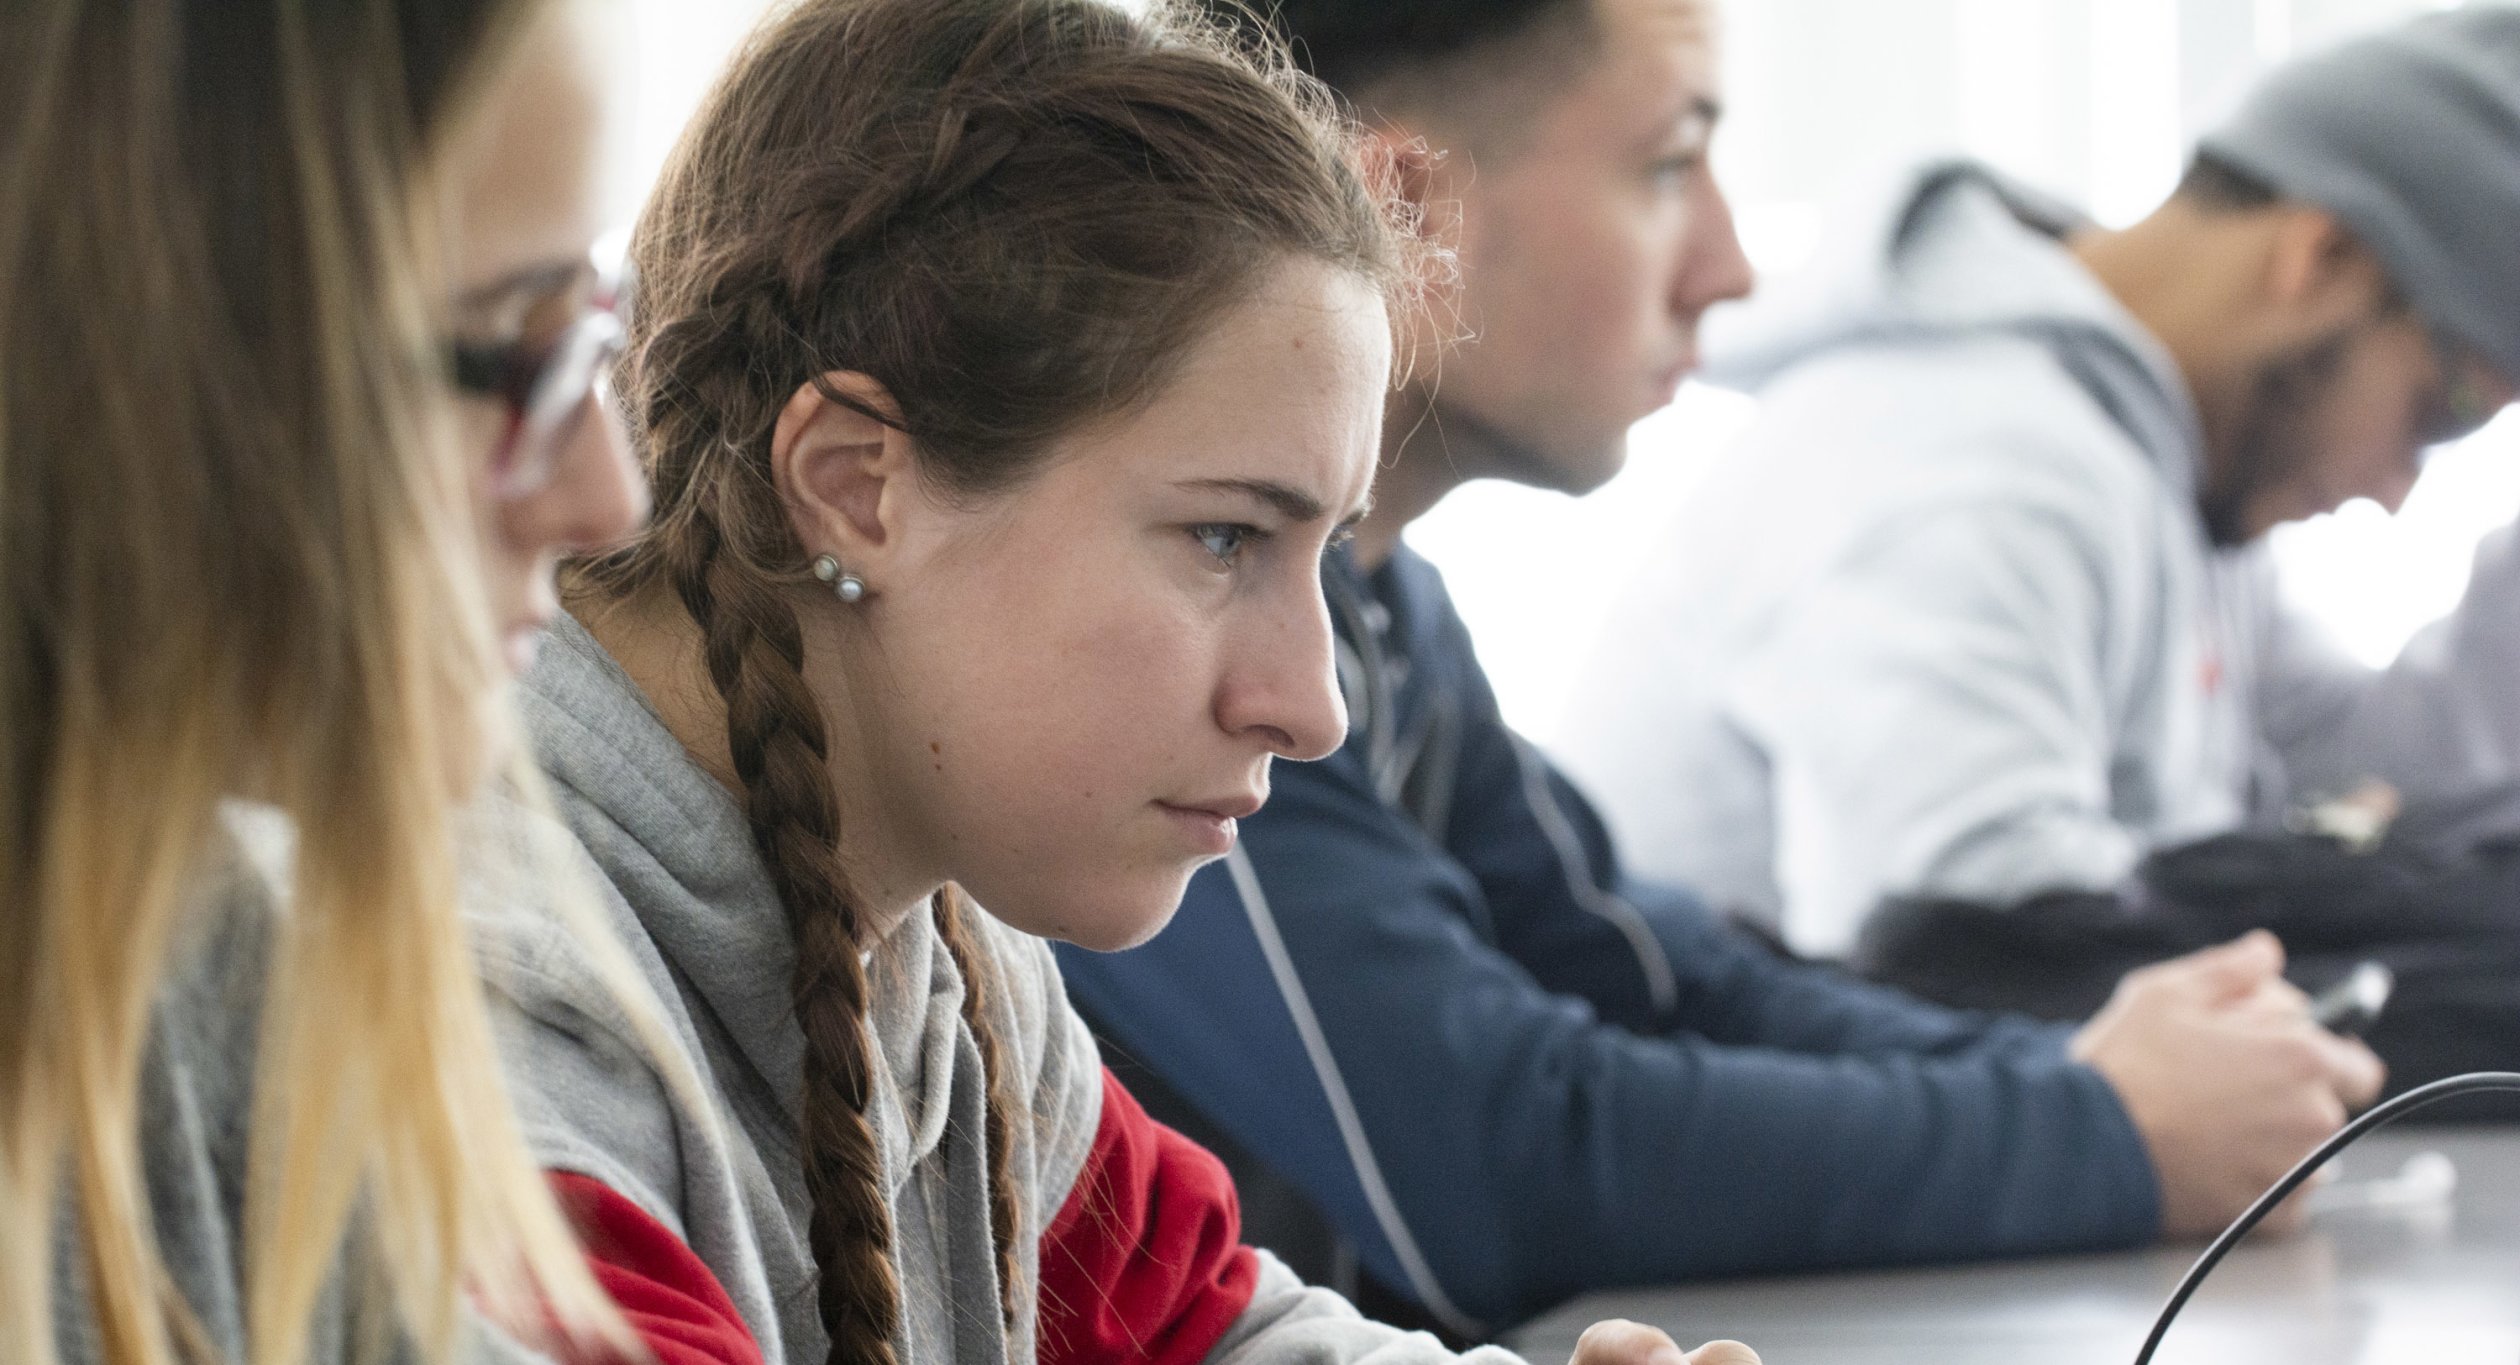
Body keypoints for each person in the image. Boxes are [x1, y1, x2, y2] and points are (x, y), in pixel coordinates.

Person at [1052, 0, 2384, 1335]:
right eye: (1668, 166)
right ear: (1407, 207)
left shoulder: (1395, 611)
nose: (1733, 269)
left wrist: (2105, 1081)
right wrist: (2100, 1129)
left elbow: (1658, 973)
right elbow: (1500, 1162)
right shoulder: (1169, 652)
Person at [479, 2, 1754, 1364]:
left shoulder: (951, 955)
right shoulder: (483, 1016)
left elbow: (1210, 1331)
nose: (1310, 704)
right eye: (1224, 538)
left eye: (1319, 550)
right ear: (855, 484)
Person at [1560, 9, 2520, 961]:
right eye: (2448, 410)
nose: (2399, 490)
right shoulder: (1972, 462)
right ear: (2321, 259)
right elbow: (1984, 954)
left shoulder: (2160, 458)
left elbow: (2351, 764)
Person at [7, 0, 655, 1361]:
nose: (609, 497)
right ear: (165, 342)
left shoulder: (187, 936)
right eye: (519, 354)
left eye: (594, 334)